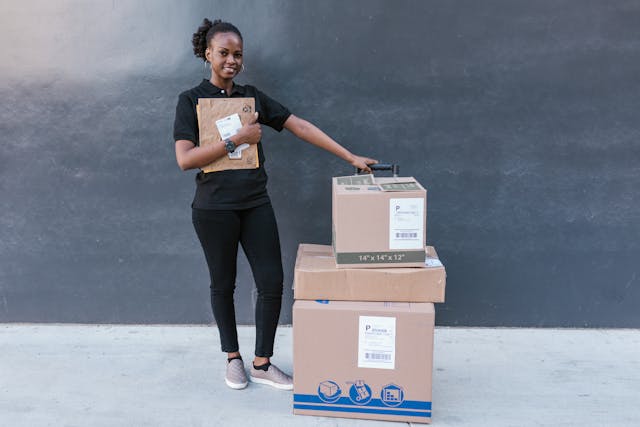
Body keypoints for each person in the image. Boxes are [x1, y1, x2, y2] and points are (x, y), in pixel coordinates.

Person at [173, 18, 377, 391]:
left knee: (272, 281)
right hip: (213, 209)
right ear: (208, 55)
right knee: (223, 284)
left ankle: (263, 363)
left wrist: (348, 156)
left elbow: (299, 125)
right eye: (223, 53)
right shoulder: (190, 101)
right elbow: (185, 159)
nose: (231, 60)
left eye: (238, 54)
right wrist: (238, 139)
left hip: (255, 203)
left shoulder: (251, 98)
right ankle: (233, 359)